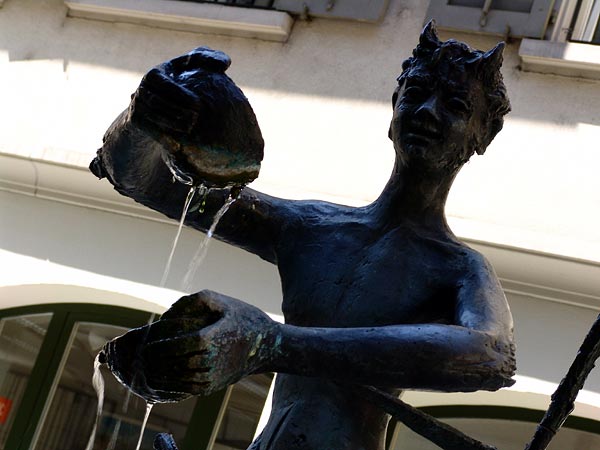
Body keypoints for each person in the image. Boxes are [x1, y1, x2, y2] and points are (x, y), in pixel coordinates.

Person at [97, 22, 516, 450]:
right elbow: (145, 180)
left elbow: (491, 355)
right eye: (417, 93)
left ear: (483, 134)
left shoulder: (457, 267)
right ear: (395, 105)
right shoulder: (314, 227)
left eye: (455, 105)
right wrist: (144, 114)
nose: (427, 111)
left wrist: (272, 344)